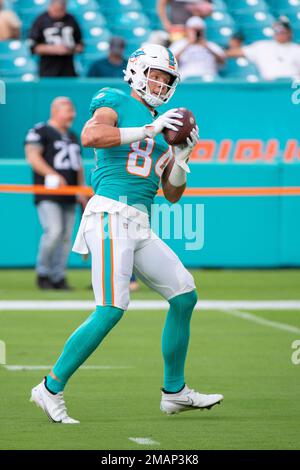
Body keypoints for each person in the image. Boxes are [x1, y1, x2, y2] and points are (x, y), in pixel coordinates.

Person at [30, 44, 223, 423]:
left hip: (140, 221)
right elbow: (92, 134)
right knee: (111, 309)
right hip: (109, 213)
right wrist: (149, 128)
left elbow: (171, 193)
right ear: (137, 70)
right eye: (156, 74)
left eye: (167, 79)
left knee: (184, 295)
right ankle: (49, 387)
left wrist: (181, 159)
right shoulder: (113, 98)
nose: (161, 83)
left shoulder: (163, 126)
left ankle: (174, 392)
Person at [25, 97, 87, 291]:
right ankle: (43, 273)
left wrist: (81, 189)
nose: (72, 114)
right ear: (55, 110)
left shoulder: (73, 136)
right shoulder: (40, 131)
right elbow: (32, 156)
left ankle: (58, 276)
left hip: (69, 193)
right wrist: (52, 174)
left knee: (66, 237)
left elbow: (78, 166)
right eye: (68, 110)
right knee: (54, 232)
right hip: (48, 192)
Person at [226, 17, 300, 81]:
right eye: (277, 31)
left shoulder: (297, 49)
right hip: (268, 85)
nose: (280, 33)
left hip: (290, 86)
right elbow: (232, 53)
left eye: (283, 31)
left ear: (290, 32)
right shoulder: (262, 46)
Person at [28, 0, 83, 77]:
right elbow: (33, 47)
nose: (58, 12)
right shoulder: (40, 20)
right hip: (48, 69)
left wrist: (69, 49)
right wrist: (52, 49)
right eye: (56, 9)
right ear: (50, 7)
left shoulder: (71, 19)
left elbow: (80, 45)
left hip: (68, 69)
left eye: (61, 9)